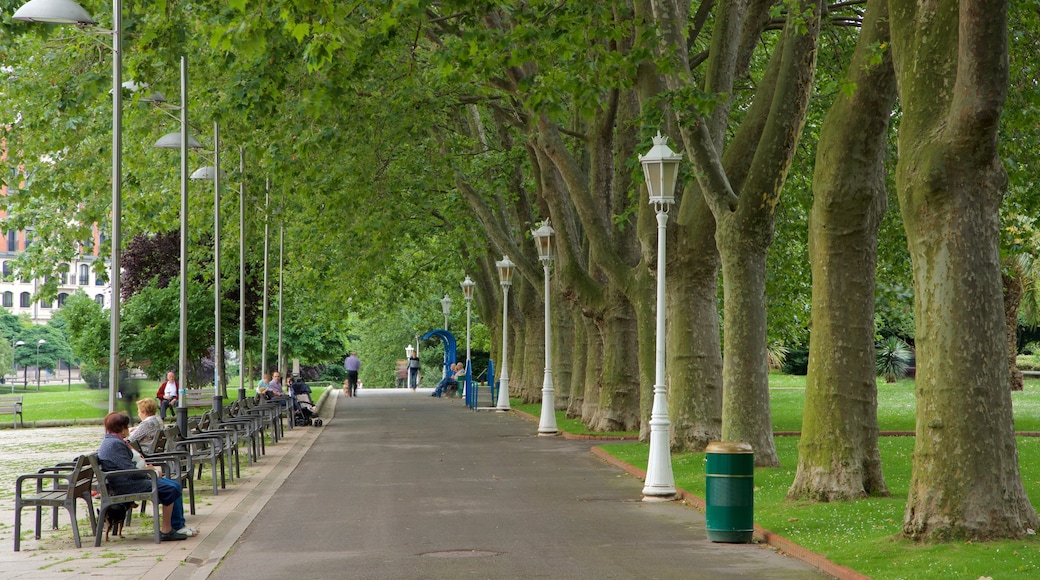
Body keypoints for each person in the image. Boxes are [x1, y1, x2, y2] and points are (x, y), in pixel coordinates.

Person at [97, 412, 198, 541]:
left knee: (174, 485)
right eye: (127, 426)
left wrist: (149, 471)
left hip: (127, 480)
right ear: (121, 429)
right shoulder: (114, 444)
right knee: (170, 488)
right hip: (126, 485)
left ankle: (177, 525)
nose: (128, 429)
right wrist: (151, 472)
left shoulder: (113, 441)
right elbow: (130, 471)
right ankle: (167, 530)